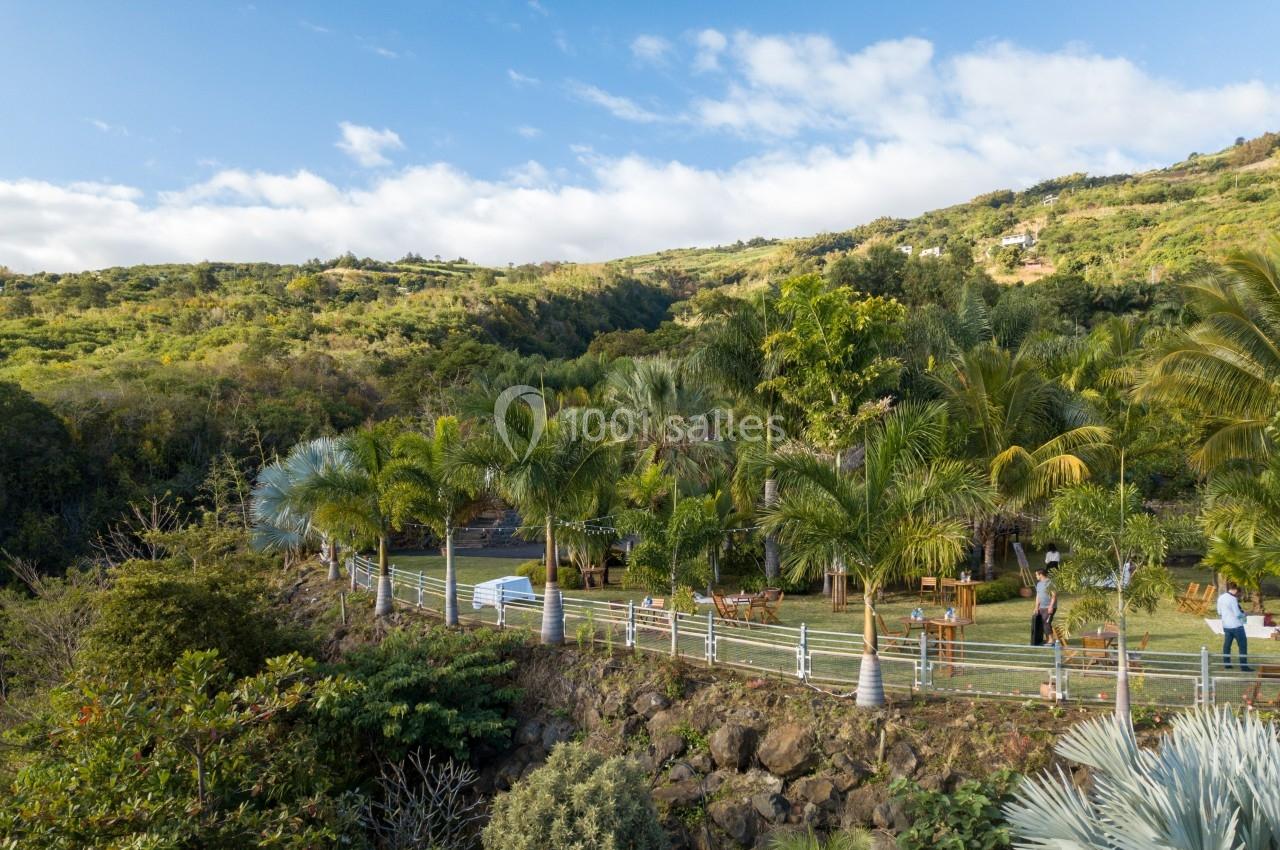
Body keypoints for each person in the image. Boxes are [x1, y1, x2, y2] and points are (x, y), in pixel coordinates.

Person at [1218, 582, 1252, 671]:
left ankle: (1227, 664)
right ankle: (1244, 666)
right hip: (1237, 626)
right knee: (1242, 646)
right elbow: (1237, 614)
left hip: (1226, 625)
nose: (1239, 595)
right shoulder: (1233, 599)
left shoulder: (1221, 598)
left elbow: (1219, 612)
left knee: (1227, 645)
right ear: (1236, 590)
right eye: (1239, 593)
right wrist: (1245, 614)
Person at [1031, 568, 1057, 646]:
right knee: (1043, 623)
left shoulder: (1050, 583)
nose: (1036, 576)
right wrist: (1036, 607)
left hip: (1049, 607)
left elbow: (1054, 595)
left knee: (1046, 622)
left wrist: (1051, 606)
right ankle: (1048, 639)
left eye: (1036, 575)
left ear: (1041, 575)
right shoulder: (1039, 584)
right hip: (1042, 607)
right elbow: (1038, 596)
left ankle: (1051, 640)